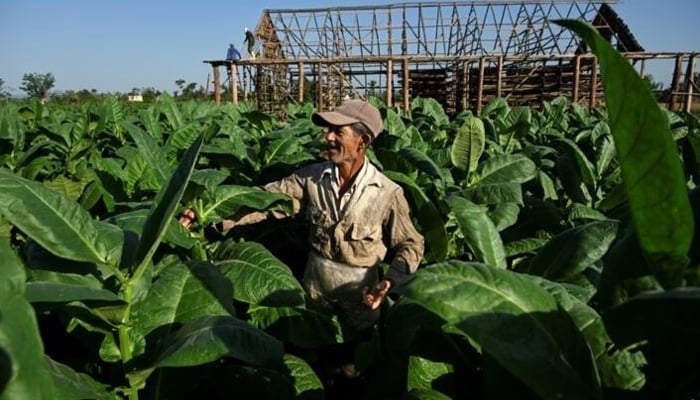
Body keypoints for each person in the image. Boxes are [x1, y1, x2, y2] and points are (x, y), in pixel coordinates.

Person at [180, 100, 424, 376]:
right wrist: (210, 216)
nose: (328, 137)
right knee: (311, 359)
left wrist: (390, 281)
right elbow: (264, 200)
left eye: (337, 132)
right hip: (315, 289)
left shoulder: (387, 193)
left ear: (363, 140)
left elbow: (411, 243)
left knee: (353, 366)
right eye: (327, 130)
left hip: (360, 297)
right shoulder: (311, 178)